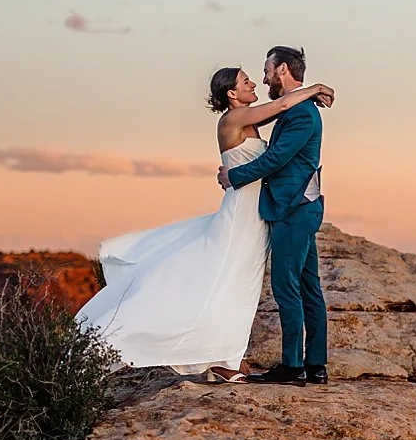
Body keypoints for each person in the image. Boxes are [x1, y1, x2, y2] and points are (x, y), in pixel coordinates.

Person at [75, 61, 333, 379]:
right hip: (244, 211)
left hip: (266, 209)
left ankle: (229, 355)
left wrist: (306, 94)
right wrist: (316, 88)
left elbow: (280, 121)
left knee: (241, 282)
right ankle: (227, 356)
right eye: (246, 81)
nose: (255, 82)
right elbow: (279, 109)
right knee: (228, 278)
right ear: (231, 93)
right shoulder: (236, 118)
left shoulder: (273, 115)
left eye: (259, 75)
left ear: (280, 70)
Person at [216, 45, 328, 385]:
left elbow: (275, 159)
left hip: (293, 207)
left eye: (266, 72)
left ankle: (293, 366)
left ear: (281, 71)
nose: (263, 79)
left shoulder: (301, 114)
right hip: (297, 206)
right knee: (309, 287)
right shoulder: (296, 110)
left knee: (286, 287)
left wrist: (233, 177)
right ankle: (316, 365)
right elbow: (275, 110)